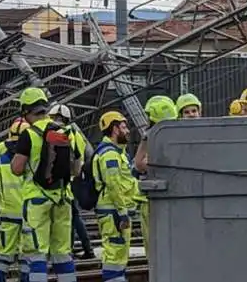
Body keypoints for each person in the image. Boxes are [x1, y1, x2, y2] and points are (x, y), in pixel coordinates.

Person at [11, 87, 78, 282]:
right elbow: (76, 169)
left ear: (25, 112)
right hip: (63, 198)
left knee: (37, 252)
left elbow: (17, 168)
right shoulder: (66, 131)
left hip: (37, 200)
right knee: (62, 252)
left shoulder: (29, 134)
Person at [93, 111, 138, 282]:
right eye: (124, 127)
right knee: (114, 256)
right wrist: (122, 212)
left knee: (118, 256)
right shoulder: (110, 154)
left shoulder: (118, 153)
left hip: (115, 212)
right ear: (114, 129)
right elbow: (113, 185)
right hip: (113, 213)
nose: (127, 131)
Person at [47, 103, 94, 260]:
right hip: (74, 179)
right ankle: (79, 248)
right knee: (73, 216)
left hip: (63, 182)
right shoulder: (76, 134)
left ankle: (78, 249)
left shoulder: (57, 133)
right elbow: (82, 156)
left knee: (71, 217)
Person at [134, 95, 178, 256]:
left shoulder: (151, 135)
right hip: (176, 199)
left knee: (155, 252)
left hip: (153, 199)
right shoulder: (179, 134)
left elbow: (139, 163)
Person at [0, 118, 29, 282]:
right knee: (28, 259)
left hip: (7, 217)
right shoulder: (34, 160)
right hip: (30, 217)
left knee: (2, 258)